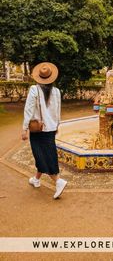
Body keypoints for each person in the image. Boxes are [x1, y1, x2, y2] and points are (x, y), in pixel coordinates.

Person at [21, 62, 67, 199]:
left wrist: (24, 128)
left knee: (42, 155)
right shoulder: (57, 91)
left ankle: (58, 181)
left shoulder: (34, 90)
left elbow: (28, 110)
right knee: (47, 153)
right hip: (51, 128)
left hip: (38, 130)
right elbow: (58, 111)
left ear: (39, 77)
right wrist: (57, 125)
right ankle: (36, 179)